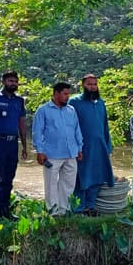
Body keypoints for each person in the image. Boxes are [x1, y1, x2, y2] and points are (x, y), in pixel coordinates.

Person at [32, 82, 83, 216]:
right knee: (51, 184)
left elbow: (77, 130)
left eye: (68, 94)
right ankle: (53, 211)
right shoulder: (43, 110)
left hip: (71, 153)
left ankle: (64, 210)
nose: (67, 97)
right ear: (56, 94)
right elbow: (37, 132)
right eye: (65, 94)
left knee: (68, 183)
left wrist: (79, 147)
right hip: (51, 154)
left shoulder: (71, 110)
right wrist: (40, 151)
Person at [0, 71, 27, 219]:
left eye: (15, 81)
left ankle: (6, 209)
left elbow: (22, 124)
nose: (13, 84)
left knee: (9, 177)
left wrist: (25, 146)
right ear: (3, 82)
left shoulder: (19, 100)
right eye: (10, 81)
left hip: (13, 143)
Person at [69, 74, 114, 215]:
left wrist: (108, 145)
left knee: (97, 176)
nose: (93, 87)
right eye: (89, 84)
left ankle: (91, 206)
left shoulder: (100, 103)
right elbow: (69, 126)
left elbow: (105, 125)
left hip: (99, 146)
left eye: (95, 84)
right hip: (82, 146)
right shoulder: (74, 102)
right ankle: (79, 208)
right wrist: (74, 146)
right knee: (81, 176)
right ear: (83, 85)